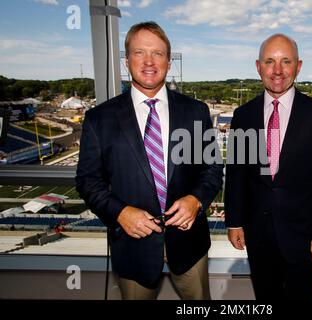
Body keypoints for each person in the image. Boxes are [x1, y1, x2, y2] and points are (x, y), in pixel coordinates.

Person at [76, 21, 223, 300]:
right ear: (126, 60)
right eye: (139, 52)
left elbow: (213, 168)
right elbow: (87, 181)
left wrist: (196, 200)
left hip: (189, 242)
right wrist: (120, 212)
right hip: (133, 246)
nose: (148, 61)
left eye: (157, 53)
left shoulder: (195, 111)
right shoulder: (100, 118)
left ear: (168, 62)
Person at [224, 34, 312, 300]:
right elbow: (237, 175)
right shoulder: (244, 115)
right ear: (258, 67)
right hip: (257, 232)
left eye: (285, 61)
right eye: (270, 61)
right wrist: (234, 221)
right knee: (265, 296)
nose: (277, 71)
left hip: (303, 236)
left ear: (298, 66)